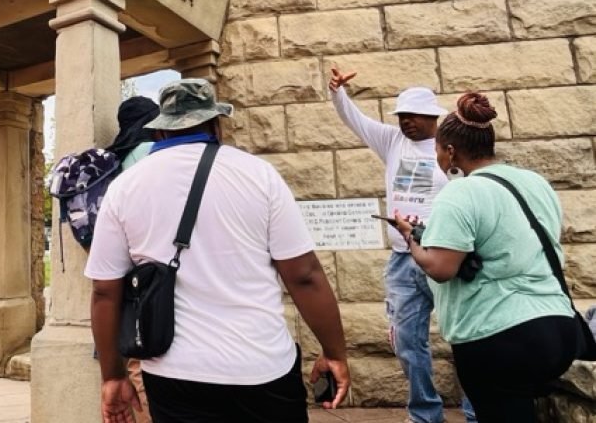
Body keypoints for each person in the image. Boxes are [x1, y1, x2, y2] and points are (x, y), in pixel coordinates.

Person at [86, 78, 350, 423]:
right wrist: (334, 353)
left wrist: (114, 376)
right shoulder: (259, 175)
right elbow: (304, 275)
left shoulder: (124, 187)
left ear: (162, 129)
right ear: (215, 122)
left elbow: (105, 292)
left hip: (174, 372)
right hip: (262, 365)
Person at [394, 92, 578, 423]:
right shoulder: (535, 182)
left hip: (498, 335)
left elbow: (440, 268)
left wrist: (411, 237)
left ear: (450, 151)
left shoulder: (460, 191)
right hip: (559, 327)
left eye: (438, 148)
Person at [328, 68, 475, 423]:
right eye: (401, 115)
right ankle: (425, 414)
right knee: (407, 342)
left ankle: (475, 411)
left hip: (446, 255)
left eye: (413, 115)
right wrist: (337, 92)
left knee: (467, 338)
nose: (406, 121)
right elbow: (355, 120)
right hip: (402, 259)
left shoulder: (451, 148)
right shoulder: (392, 141)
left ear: (432, 117)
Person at [104, 95, 160, 423]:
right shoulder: (152, 154)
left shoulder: (118, 158)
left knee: (135, 350)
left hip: (124, 271)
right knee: (147, 357)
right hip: (153, 270)